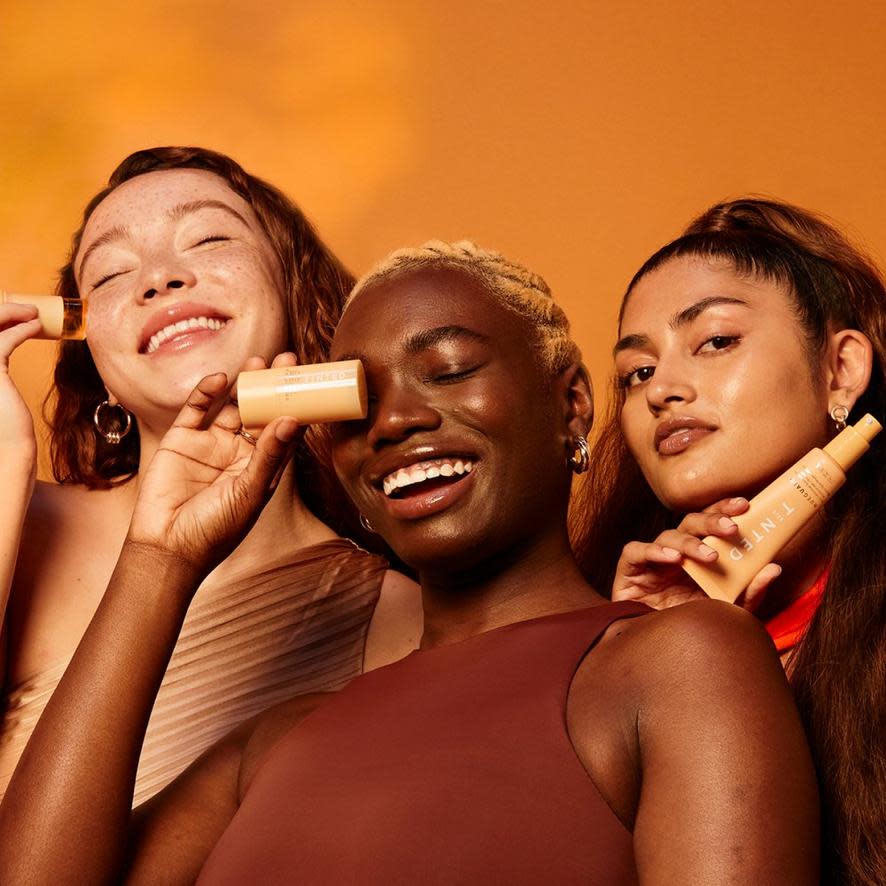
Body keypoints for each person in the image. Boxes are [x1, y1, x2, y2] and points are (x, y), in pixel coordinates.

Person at [0, 241, 818, 884]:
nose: (395, 420)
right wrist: (160, 558)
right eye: (358, 401)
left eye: (452, 369)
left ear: (571, 401)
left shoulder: (677, 663)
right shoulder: (277, 741)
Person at [0, 146, 420, 803]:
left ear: (293, 288)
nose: (159, 279)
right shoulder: (22, 528)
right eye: (109, 274)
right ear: (97, 367)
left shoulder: (407, 615)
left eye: (208, 238)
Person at [573, 199, 884, 885]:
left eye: (715, 341)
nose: (663, 392)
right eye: (637, 373)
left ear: (841, 370)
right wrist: (633, 666)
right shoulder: (601, 617)